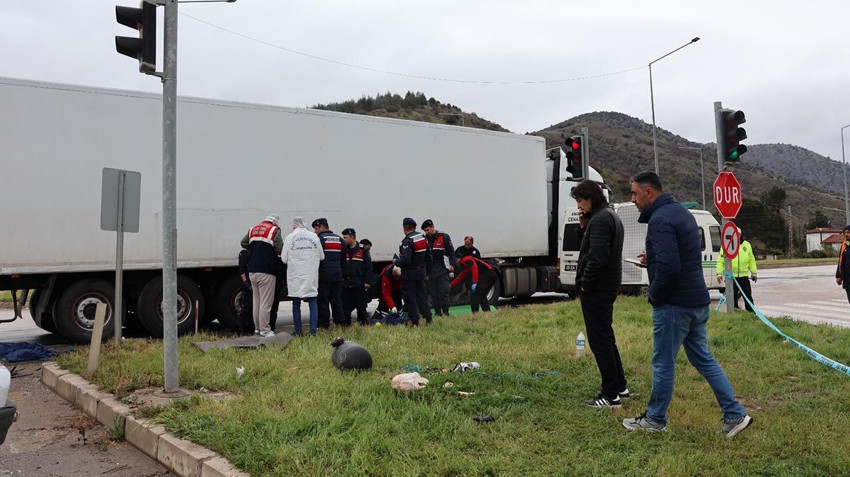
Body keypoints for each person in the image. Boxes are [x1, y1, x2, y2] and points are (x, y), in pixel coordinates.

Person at [622, 171, 752, 438]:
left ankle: (655, 419)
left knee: (662, 363)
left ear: (649, 192)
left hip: (675, 304)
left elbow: (670, 269)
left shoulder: (659, 220)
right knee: (703, 359)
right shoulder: (682, 213)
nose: (632, 199)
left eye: (634, 193)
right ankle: (735, 413)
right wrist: (653, 258)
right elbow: (680, 256)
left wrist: (655, 295)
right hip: (696, 301)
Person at [570, 180, 629, 409]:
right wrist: (584, 225)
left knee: (599, 341)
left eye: (581, 200)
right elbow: (592, 247)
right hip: (606, 286)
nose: (579, 205)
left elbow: (597, 257)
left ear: (591, 198)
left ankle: (610, 394)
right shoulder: (606, 216)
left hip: (598, 289)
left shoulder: (602, 219)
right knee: (607, 338)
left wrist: (585, 284)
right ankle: (620, 386)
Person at [240, 214, 283, 338]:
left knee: (257, 302)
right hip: (267, 270)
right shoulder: (274, 230)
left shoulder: (253, 229)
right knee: (266, 303)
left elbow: (243, 243)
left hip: (252, 271)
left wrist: (255, 247)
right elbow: (280, 247)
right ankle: (265, 330)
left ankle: (257, 329)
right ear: (275, 223)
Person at [282, 217, 323, 336]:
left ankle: (298, 331)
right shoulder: (314, 237)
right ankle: (312, 331)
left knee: (296, 304)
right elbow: (322, 256)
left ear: (294, 226)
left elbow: (284, 259)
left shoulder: (290, 237)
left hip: (295, 276)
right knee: (312, 302)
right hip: (311, 276)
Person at [395, 217, 432, 326]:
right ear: (415, 227)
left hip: (409, 275)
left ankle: (415, 322)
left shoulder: (408, 241)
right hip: (420, 274)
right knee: (422, 297)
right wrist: (427, 273)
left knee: (410, 299)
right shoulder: (422, 238)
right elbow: (429, 258)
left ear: (404, 228)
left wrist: (396, 262)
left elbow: (406, 259)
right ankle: (428, 319)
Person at [312, 218, 344, 329]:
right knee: (337, 301)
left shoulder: (320, 239)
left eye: (316, 228)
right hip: (337, 274)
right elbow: (343, 259)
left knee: (323, 302)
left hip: (324, 275)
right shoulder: (340, 239)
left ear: (322, 227)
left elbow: (317, 258)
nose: (315, 231)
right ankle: (340, 323)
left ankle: (323, 325)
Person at [716, 228, 758, 311]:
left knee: (747, 294)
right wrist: (719, 273)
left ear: (740, 235)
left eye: (738, 234)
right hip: (732, 276)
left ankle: (750, 311)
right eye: (734, 234)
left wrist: (754, 273)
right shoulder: (726, 245)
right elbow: (721, 260)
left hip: (743, 275)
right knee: (732, 295)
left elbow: (751, 260)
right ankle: (734, 310)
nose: (736, 236)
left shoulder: (746, 245)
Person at [422, 219, 457, 317]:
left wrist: (452, 265)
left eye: (428, 230)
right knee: (433, 295)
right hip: (431, 272)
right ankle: (438, 313)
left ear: (433, 227)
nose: (426, 232)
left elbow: (451, 252)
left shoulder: (443, 237)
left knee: (444, 293)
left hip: (442, 271)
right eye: (425, 231)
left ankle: (446, 312)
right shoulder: (424, 240)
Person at [341, 228, 372, 325]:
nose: (344, 240)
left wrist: (367, 281)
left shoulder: (363, 250)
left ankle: (362, 325)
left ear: (352, 237)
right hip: (345, 284)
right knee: (345, 308)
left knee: (361, 307)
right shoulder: (343, 250)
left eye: (345, 238)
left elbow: (368, 267)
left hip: (358, 283)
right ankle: (346, 326)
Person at [237, 248, 254, 334]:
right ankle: (243, 328)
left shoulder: (253, 251)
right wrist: (246, 283)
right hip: (248, 284)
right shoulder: (244, 253)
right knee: (247, 307)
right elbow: (242, 269)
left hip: (252, 282)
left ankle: (251, 328)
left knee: (252, 308)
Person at [836, 225, 850, 304]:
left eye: (848, 232)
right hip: (847, 280)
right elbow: (840, 262)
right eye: (845, 233)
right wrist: (838, 276)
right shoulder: (844, 246)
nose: (846, 234)